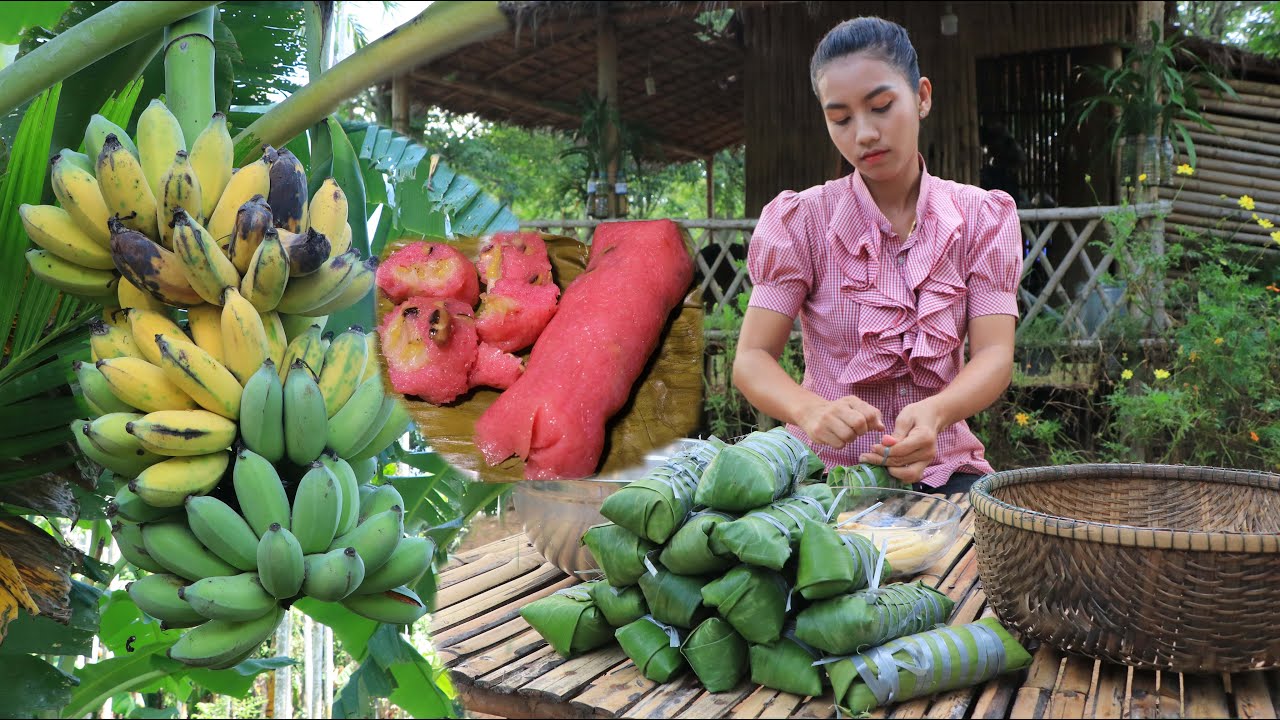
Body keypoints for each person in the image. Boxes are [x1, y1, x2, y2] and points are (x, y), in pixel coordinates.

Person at [733, 16, 1021, 495]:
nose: (863, 133)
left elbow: (995, 353)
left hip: (945, 470)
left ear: (922, 97)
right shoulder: (801, 221)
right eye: (841, 118)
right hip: (822, 482)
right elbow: (752, 357)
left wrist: (937, 412)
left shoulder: (981, 217)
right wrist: (811, 411)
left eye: (881, 106)